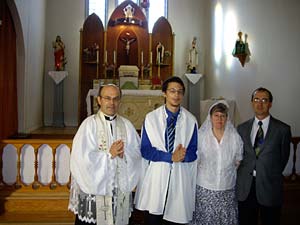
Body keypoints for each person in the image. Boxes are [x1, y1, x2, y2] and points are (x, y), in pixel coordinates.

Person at [68, 84, 142, 225]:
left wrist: (124, 156)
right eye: (107, 98)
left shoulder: (127, 125)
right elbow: (81, 159)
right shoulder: (88, 125)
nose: (111, 103)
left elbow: (137, 155)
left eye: (115, 99)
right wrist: (109, 155)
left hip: (118, 192)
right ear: (99, 100)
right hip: (95, 192)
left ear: (120, 101)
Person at [135, 76, 198, 225]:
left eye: (180, 92)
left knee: (176, 218)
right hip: (158, 176)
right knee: (154, 219)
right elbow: (145, 150)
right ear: (164, 93)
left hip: (179, 177)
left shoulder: (191, 120)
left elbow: (194, 151)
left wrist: (183, 156)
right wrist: (171, 157)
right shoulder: (151, 118)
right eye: (172, 91)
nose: (176, 95)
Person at [237, 87, 291, 225]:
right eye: (256, 100)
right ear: (251, 102)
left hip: (270, 186)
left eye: (264, 100)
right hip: (246, 188)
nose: (259, 104)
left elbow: (283, 157)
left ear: (270, 104)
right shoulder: (242, 128)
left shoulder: (283, 130)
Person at [190, 100, 243, 225]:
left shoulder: (234, 137)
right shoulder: (201, 136)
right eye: (216, 115)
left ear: (227, 118)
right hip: (205, 188)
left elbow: (238, 161)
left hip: (227, 188)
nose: (219, 119)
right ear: (210, 117)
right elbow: (195, 162)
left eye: (223, 116)